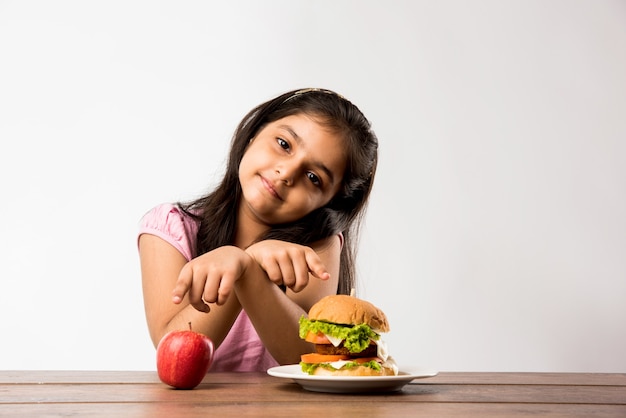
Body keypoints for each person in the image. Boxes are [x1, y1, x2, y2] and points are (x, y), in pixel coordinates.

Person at [138, 88, 379, 372]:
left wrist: (248, 269)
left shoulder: (318, 248)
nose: (287, 173)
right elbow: (171, 346)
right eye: (284, 144)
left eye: (314, 178)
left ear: (330, 203)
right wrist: (239, 265)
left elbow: (302, 358)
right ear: (254, 132)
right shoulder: (171, 227)